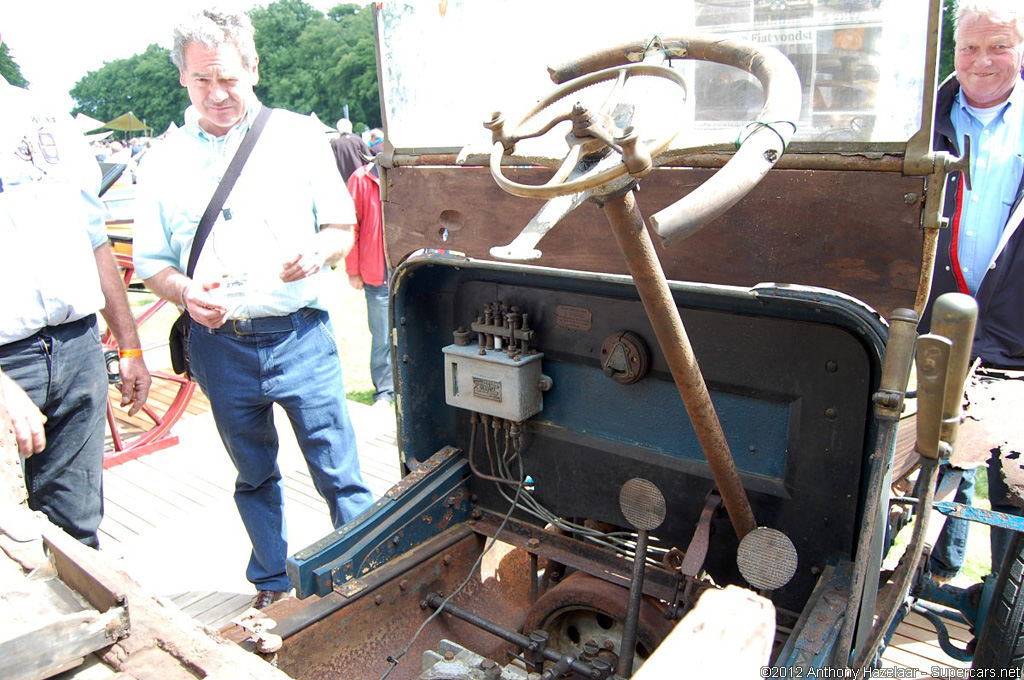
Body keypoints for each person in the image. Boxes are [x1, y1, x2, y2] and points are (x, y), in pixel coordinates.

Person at [130, 9, 373, 610]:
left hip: (300, 336)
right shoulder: (163, 159)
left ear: (253, 67)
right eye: (201, 79)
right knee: (254, 473)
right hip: (222, 346)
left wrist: (318, 251)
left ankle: (373, 570)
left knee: (338, 469)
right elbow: (150, 264)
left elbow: (342, 226)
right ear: (182, 79)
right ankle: (270, 582)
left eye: (229, 78)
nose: (217, 93)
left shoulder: (296, 136)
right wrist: (184, 292)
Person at [1, 31, 151, 548]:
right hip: (5, 362)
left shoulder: (47, 118)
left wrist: (128, 344)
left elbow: (94, 237)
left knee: (78, 530)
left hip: (76, 348)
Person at [924, 0, 1023, 582]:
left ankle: (1003, 622)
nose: (981, 61)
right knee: (932, 455)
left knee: (1011, 479)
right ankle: (938, 565)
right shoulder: (921, 120)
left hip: (1015, 332)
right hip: (937, 322)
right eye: (970, 47)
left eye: (999, 46)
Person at [345, 158, 394, 408]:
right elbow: (351, 226)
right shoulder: (361, 179)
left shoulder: (409, 172)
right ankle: (385, 390)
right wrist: (353, 269)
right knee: (383, 336)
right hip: (379, 273)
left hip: (409, 268)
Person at [331, 117, 370, 182]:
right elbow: (368, 159)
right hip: (360, 176)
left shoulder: (335, 144)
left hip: (344, 178)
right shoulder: (358, 140)